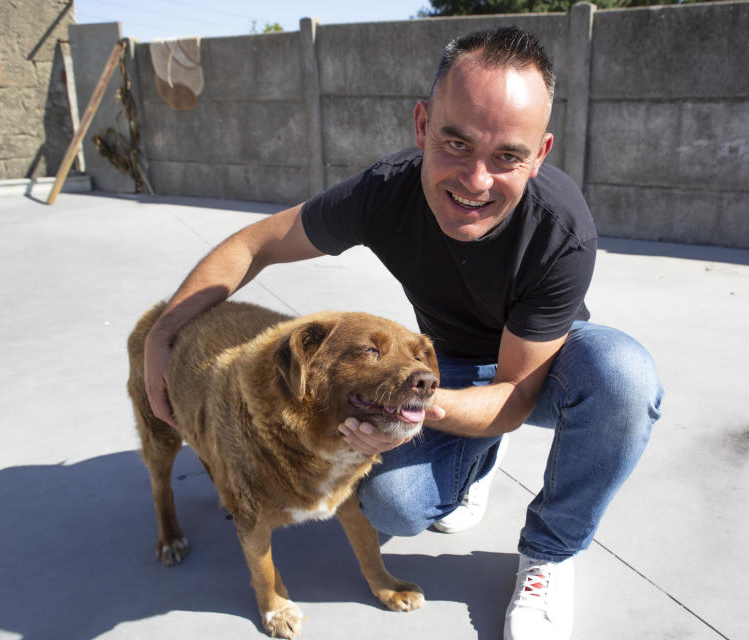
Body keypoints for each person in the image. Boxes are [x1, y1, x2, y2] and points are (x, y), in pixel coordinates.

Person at [144, 26, 663, 640]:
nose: (475, 180)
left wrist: (413, 408)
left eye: (507, 156)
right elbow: (252, 245)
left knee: (622, 377)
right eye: (455, 142)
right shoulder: (385, 192)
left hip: (539, 364)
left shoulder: (561, 230)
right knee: (393, 505)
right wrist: (162, 335)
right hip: (442, 364)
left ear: (541, 153)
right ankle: (473, 461)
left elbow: (516, 392)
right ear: (422, 127)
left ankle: (551, 553)